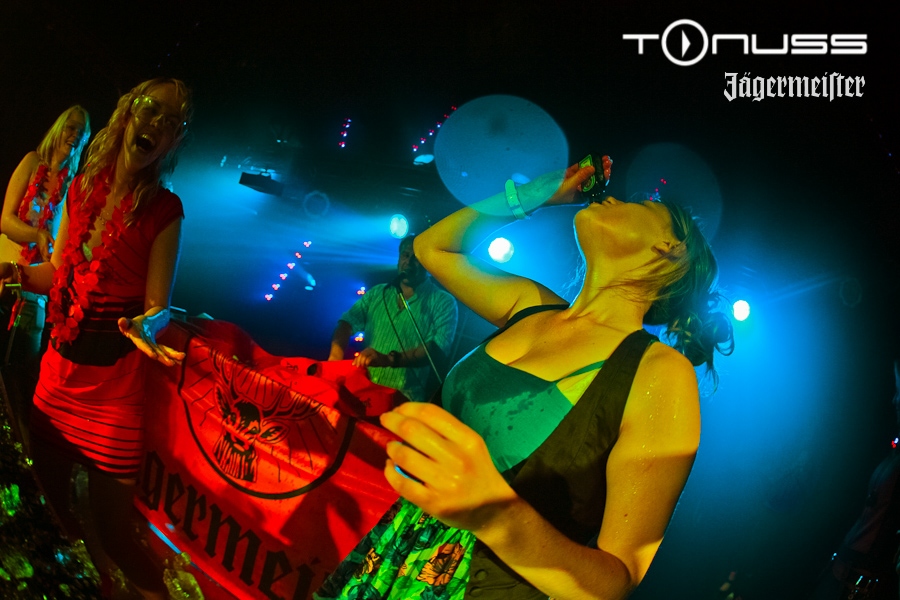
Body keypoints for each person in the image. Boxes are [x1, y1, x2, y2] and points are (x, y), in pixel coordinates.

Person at [315, 156, 734, 599]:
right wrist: (534, 195)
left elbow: (617, 579)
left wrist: (497, 514)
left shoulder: (659, 370)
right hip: (385, 558)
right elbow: (431, 248)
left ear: (670, 247)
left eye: (642, 204)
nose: (613, 198)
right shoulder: (530, 303)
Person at [0, 77, 192, 600]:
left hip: (112, 396)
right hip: (56, 381)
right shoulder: (83, 188)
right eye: (151, 110)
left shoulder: (165, 210)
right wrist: (15, 274)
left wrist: (147, 325)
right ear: (128, 112)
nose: (156, 124)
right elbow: (56, 273)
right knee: (52, 518)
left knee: (115, 535)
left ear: (175, 140)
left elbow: (159, 306)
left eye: (171, 121)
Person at [1, 105, 90, 364]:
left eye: (82, 133)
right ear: (59, 129)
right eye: (71, 127)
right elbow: (5, 221)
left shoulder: (74, 186)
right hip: (4, 266)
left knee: (22, 365)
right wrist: (38, 234)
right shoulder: (32, 162)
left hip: (36, 287)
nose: (75, 135)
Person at [328, 233, 459, 403]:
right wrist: (334, 359)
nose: (409, 262)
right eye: (405, 255)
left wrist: (389, 359)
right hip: (362, 392)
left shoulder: (443, 301)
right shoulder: (377, 293)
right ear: (398, 259)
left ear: (428, 263)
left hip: (404, 399)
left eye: (416, 258)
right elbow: (347, 322)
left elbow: (437, 349)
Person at [810, 360, 900, 600]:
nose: (894, 400)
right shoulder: (893, 453)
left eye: (899, 393)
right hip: (840, 576)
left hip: (858, 587)